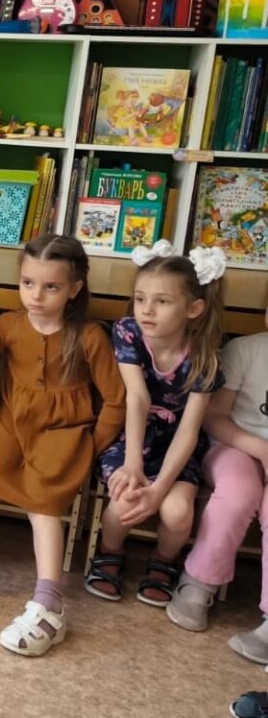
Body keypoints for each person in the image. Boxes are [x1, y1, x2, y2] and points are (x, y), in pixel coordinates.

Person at [0, 236, 124, 656]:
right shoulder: (7, 326)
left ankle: (50, 603)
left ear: (74, 289)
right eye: (28, 283)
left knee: (43, 509)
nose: (36, 295)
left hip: (64, 434)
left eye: (51, 287)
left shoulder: (89, 337)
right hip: (7, 422)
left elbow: (116, 400)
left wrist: (92, 447)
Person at [85, 242, 226, 605]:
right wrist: (132, 464)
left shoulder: (205, 357)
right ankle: (110, 552)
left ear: (193, 309)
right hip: (130, 437)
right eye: (140, 299)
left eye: (162, 301)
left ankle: (164, 561)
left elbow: (190, 430)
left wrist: (161, 487)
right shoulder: (128, 331)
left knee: (177, 512)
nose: (147, 309)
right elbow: (137, 397)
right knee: (123, 501)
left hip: (176, 448)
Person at [168, 304, 268, 660]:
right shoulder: (246, 350)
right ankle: (199, 581)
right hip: (234, 447)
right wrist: (259, 448)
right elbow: (215, 418)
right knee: (239, 492)